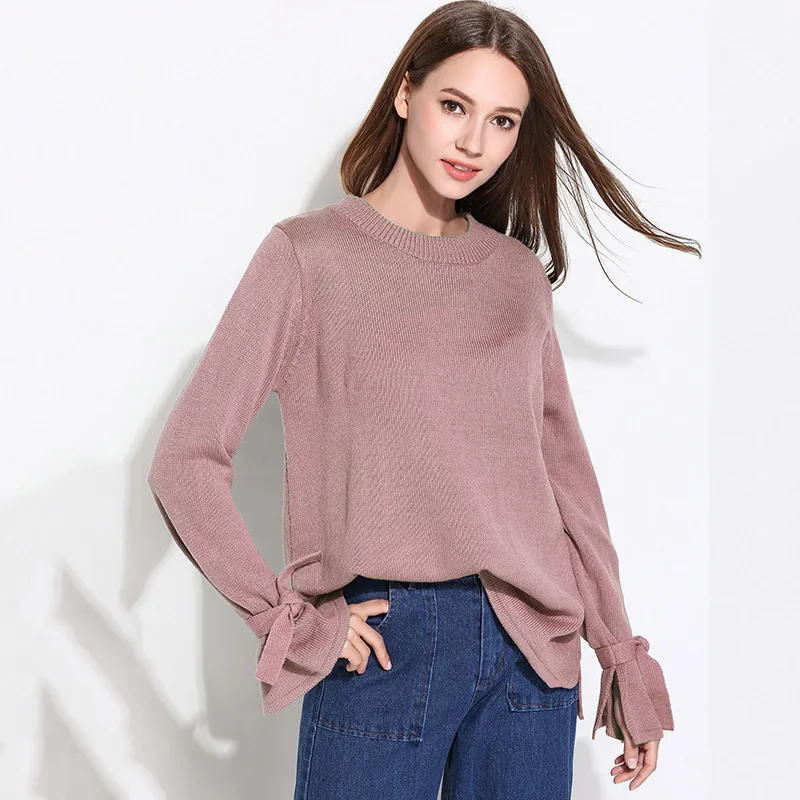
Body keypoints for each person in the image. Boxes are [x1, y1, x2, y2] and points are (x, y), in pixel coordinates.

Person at [147, 2, 699, 797]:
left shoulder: (517, 280)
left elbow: (567, 482)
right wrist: (284, 619)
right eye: (454, 106)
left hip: (530, 659)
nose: (474, 142)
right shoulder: (308, 257)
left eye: (502, 121)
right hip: (384, 646)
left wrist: (619, 657)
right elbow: (186, 460)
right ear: (406, 94)